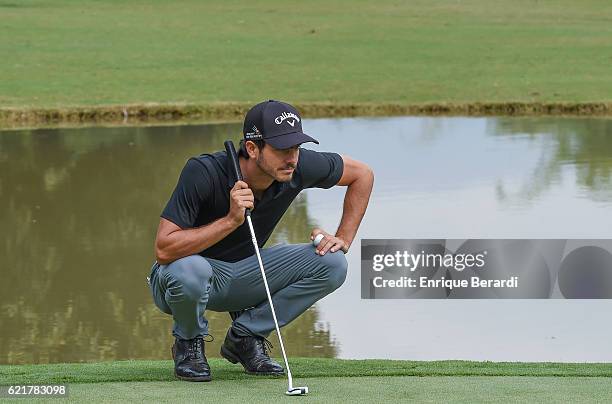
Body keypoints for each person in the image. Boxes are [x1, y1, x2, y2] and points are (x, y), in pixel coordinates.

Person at [148, 100, 374, 382]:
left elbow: (362, 174)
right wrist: (231, 220)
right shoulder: (203, 171)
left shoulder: (296, 166)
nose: (291, 158)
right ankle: (188, 344)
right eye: (281, 149)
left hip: (244, 274)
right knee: (191, 270)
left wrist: (343, 238)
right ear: (253, 148)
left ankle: (246, 336)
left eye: (296, 148)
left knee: (332, 263)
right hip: (179, 279)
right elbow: (164, 249)